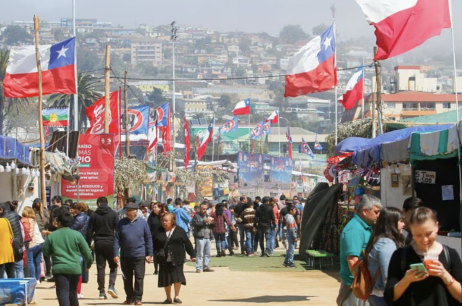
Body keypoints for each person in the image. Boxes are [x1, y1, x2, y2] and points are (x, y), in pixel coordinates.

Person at [384, 207, 462, 306]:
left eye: (428, 234)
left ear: (437, 226)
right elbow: (390, 297)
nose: (424, 240)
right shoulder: (400, 255)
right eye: (418, 235)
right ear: (411, 231)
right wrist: (406, 280)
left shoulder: (450, 254)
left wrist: (445, 275)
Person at [337, 194, 382, 306]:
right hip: (355, 285)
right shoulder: (355, 230)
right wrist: (362, 285)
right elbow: (353, 261)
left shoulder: (365, 227)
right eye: (376, 212)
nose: (379, 215)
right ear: (365, 211)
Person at [43, 212, 92, 306]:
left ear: (59, 222)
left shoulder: (52, 235)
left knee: (63, 293)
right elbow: (87, 252)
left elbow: (46, 252)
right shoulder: (77, 235)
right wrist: (89, 264)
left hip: (59, 269)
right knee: (73, 293)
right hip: (74, 269)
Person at [114, 202, 153, 305]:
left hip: (139, 255)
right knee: (127, 278)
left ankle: (138, 298)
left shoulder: (143, 223)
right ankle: (129, 297)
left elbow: (148, 238)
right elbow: (117, 239)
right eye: (127, 210)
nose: (128, 212)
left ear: (136, 211)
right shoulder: (121, 223)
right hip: (125, 256)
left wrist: (149, 254)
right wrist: (115, 254)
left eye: (130, 210)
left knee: (139, 277)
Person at [365, 207, 405, 306]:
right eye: (401, 221)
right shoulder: (387, 244)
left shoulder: (380, 240)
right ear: (392, 223)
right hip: (383, 296)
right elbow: (388, 275)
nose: (403, 224)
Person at [155, 213, 195, 304]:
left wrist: (192, 255)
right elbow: (153, 244)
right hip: (163, 259)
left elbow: (187, 244)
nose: (164, 222)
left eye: (166, 221)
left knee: (177, 277)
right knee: (166, 278)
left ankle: (176, 296)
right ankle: (168, 298)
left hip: (177, 258)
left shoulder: (180, 230)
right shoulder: (158, 231)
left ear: (172, 221)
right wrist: (149, 254)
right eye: (163, 220)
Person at [86, 197, 119, 300]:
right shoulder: (113, 214)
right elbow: (118, 229)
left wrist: (88, 244)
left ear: (98, 204)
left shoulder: (94, 215)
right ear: (107, 203)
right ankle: (111, 285)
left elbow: (89, 232)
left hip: (98, 242)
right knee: (113, 266)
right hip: (111, 242)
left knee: (100, 267)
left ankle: (101, 291)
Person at [0, 201, 24, 278]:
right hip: (13, 247)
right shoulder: (14, 216)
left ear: (1, 210)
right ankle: (14, 288)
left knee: (1, 273)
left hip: (3, 250)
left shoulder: (3, 220)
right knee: (14, 270)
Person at [22, 207, 45, 282]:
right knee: (37, 261)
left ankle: (32, 278)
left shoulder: (24, 220)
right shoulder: (34, 221)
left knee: (30, 261)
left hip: (32, 243)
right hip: (40, 242)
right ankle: (38, 279)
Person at [191, 203, 214, 273]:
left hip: (208, 237)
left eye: (206, 209)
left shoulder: (207, 216)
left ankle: (206, 266)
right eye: (203, 209)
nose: (205, 210)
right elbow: (196, 225)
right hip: (200, 237)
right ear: (200, 209)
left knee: (207, 253)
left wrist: (212, 223)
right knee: (199, 253)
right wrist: (204, 221)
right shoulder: (196, 216)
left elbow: (212, 227)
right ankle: (198, 267)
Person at [147, 202, 167, 275]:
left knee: (163, 252)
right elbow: (148, 226)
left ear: (160, 208)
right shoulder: (151, 216)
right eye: (153, 207)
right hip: (154, 237)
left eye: (156, 207)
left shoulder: (164, 215)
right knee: (155, 253)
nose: (154, 208)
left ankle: (163, 268)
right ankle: (156, 269)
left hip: (163, 236)